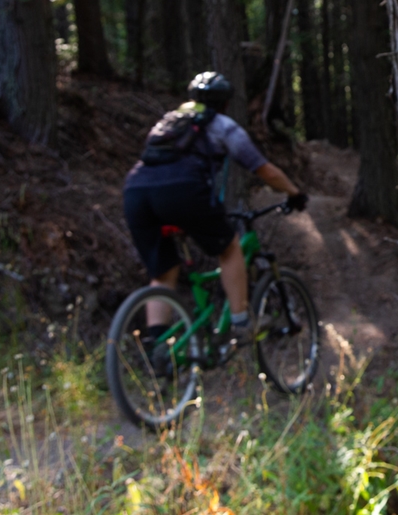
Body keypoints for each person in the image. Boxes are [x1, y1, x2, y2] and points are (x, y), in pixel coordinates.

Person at [123, 72, 307, 348]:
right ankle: (243, 323)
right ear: (225, 103)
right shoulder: (223, 126)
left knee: (163, 272)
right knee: (231, 247)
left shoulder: (170, 121)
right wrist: (294, 192)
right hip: (181, 191)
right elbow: (264, 169)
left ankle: (156, 347)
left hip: (136, 192)